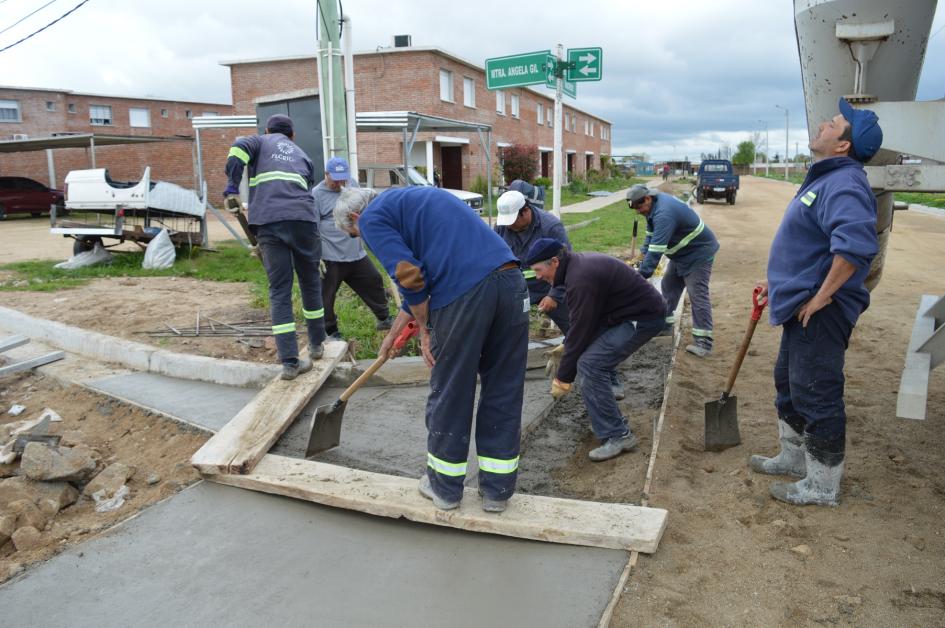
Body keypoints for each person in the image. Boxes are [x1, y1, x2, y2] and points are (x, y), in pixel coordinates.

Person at [333, 185, 528, 513]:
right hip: (511, 286)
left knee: (451, 390)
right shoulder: (416, 202)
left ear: (355, 217)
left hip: (467, 295)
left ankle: (445, 488)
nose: (361, 238)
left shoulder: (372, 218)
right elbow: (421, 283)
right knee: (503, 389)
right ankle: (496, 492)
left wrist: (426, 330)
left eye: (355, 234)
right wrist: (395, 333)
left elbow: (410, 278)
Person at [750, 98, 882, 507]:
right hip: (801, 303)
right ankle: (793, 458)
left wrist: (821, 297)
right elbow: (813, 246)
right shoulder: (825, 178)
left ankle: (822, 486)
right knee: (789, 385)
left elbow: (856, 248)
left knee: (817, 393)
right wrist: (780, 283)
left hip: (821, 311)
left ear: (843, 145)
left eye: (833, 123)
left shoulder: (845, 183)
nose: (824, 124)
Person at [526, 237, 666, 461]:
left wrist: (563, 378)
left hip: (642, 317)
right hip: (620, 316)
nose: (538, 276)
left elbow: (582, 327)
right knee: (588, 358)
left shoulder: (580, 278)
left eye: (538, 270)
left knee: (591, 364)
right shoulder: (574, 268)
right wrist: (569, 346)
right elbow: (585, 322)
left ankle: (618, 435)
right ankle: (607, 419)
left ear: (554, 261)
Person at [495, 188, 625, 399]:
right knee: (506, 330)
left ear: (526, 211)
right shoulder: (502, 227)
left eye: (513, 220)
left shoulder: (550, 226)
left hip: (551, 284)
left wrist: (555, 295)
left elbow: (566, 264)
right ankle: (506, 378)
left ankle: (610, 378)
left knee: (580, 330)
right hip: (519, 288)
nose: (509, 225)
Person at [224, 114, 325, 380]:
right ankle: (316, 345)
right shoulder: (303, 155)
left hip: (268, 221)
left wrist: (231, 188)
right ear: (292, 136)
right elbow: (307, 190)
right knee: (310, 282)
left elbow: (236, 150)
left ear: (267, 130)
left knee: (279, 290)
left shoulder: (258, 141)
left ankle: (290, 363)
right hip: (304, 221)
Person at [628, 184, 720, 357]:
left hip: (698, 254)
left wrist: (639, 277)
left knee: (697, 295)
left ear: (647, 198)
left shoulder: (664, 213)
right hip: (681, 255)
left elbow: (656, 250)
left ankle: (704, 343)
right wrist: (641, 255)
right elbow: (650, 237)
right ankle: (665, 325)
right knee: (669, 286)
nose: (638, 212)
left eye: (639, 207)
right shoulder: (653, 209)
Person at [312, 157, 393, 340]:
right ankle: (330, 331)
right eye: (335, 179)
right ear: (326, 174)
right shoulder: (316, 194)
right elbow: (313, 227)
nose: (340, 183)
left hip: (355, 253)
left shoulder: (352, 185)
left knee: (373, 280)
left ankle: (384, 318)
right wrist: (315, 256)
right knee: (326, 296)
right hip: (330, 256)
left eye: (343, 178)